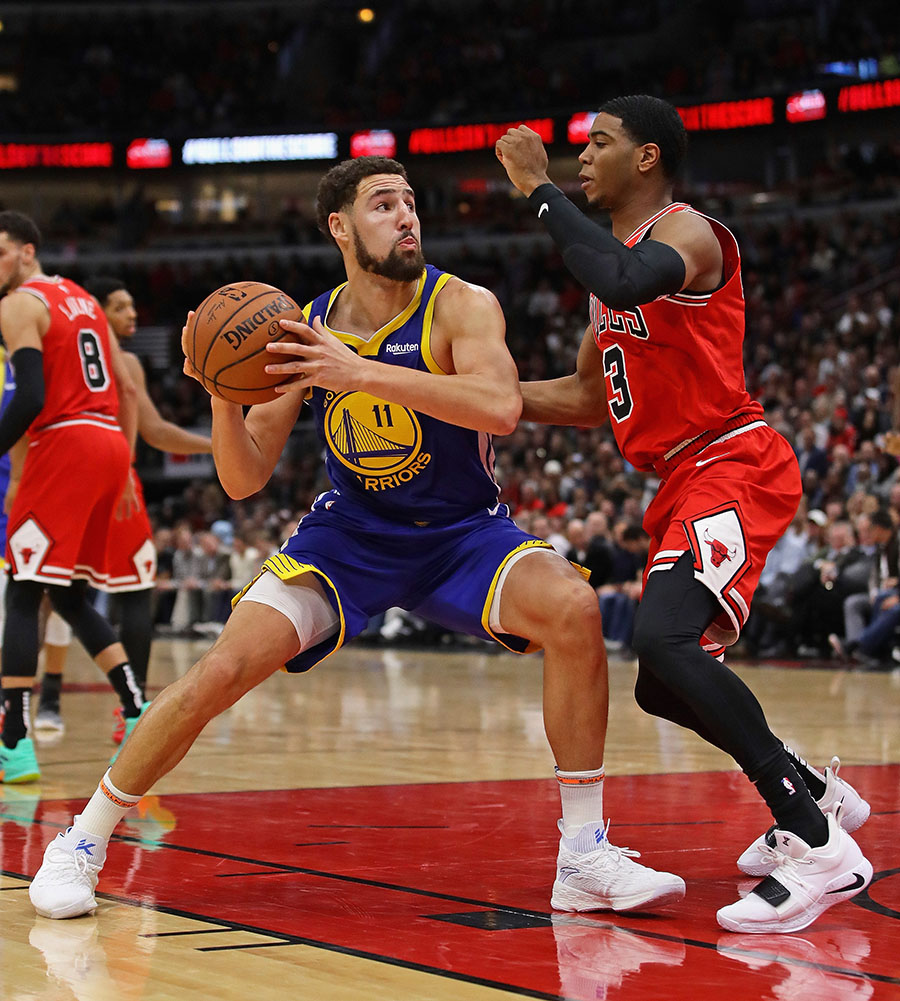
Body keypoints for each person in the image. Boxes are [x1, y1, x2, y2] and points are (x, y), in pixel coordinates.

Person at [30, 156, 685, 920]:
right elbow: (244, 479)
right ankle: (82, 839)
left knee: (572, 608)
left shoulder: (460, 304)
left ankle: (582, 856)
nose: (406, 216)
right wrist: (217, 396)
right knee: (223, 669)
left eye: (410, 202)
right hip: (351, 537)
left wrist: (359, 371)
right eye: (383, 205)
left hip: (461, 533)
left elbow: (501, 406)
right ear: (340, 227)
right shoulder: (301, 330)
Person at [495, 96, 872, 933]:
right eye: (578, 149)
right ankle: (815, 792)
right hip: (678, 477)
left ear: (649, 158)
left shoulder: (689, 232)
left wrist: (538, 188)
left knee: (665, 639)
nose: (582, 156)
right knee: (660, 685)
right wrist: (481, 398)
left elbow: (626, 278)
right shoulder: (610, 270)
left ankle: (818, 846)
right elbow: (591, 397)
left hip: (732, 459)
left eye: (599, 144)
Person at [0, 210, 148, 785]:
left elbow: (31, 394)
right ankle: (136, 709)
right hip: (108, 444)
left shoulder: (17, 304)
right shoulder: (83, 298)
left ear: (28, 252)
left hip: (64, 444)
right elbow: (124, 383)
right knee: (68, 598)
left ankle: (13, 740)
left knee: (20, 593)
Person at [32, 277, 213, 740]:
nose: (132, 314)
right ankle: (129, 711)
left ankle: (45, 698)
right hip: (114, 476)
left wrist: (216, 444)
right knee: (132, 590)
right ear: (95, 311)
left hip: (63, 477)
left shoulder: (61, 353)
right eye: (120, 306)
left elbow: (155, 429)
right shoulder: (121, 361)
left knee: (54, 593)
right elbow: (151, 429)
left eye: (133, 305)